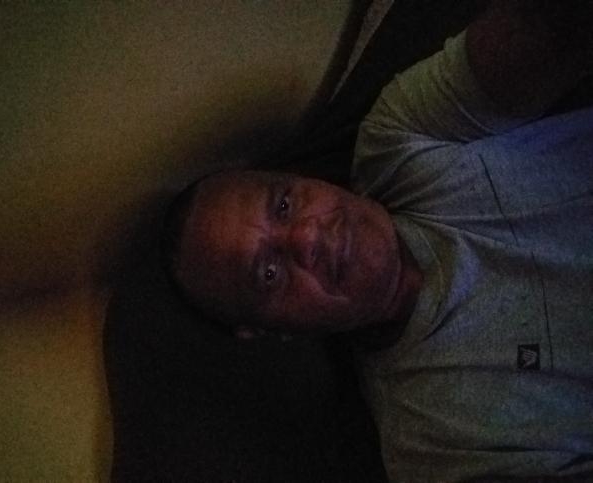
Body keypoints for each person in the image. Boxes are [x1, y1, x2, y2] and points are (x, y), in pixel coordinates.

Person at [162, 1, 593, 481]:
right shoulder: (432, 445)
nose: (306, 236)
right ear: (278, 331)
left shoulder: (399, 136)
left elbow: (545, 30)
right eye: (269, 274)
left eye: (284, 205)